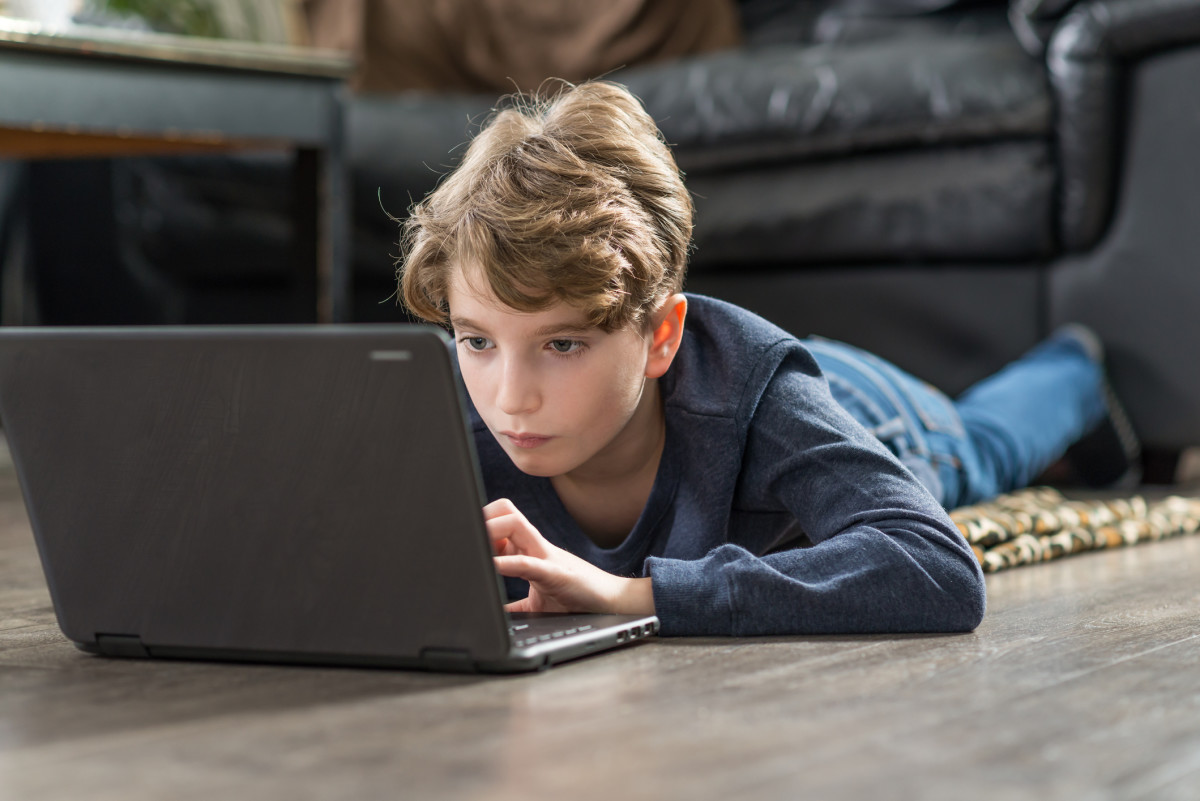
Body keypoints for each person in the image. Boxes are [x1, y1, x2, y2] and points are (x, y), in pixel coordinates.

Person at [395, 80, 1139, 637]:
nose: (510, 398)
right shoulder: (460, 408)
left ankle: (1074, 370)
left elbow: (936, 568)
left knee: (985, 445)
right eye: (478, 341)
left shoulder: (762, 401)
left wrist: (636, 595)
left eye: (562, 344)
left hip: (867, 410)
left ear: (659, 336)